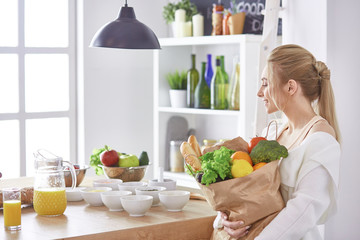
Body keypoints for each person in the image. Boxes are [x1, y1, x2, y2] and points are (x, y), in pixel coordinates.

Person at [216, 44, 341, 239]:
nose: (259, 92)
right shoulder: (270, 133)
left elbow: (303, 211)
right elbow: (242, 188)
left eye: (265, 83)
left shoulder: (321, 141)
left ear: (290, 87)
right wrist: (227, 220)